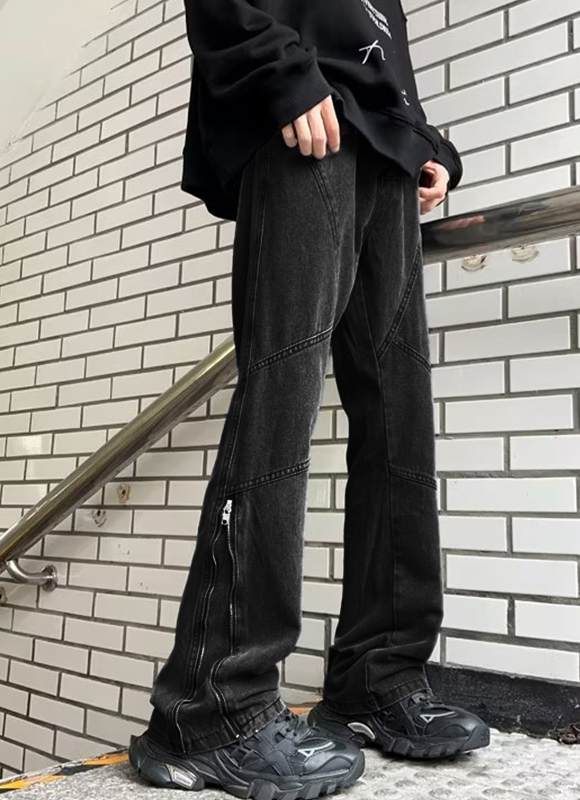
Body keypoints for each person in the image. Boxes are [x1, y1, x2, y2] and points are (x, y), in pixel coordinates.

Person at [128, 0, 491, 797]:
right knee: (281, 400)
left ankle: (377, 677)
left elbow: (383, 55)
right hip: (308, 121)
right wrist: (281, 73)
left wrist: (429, 145)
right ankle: (210, 710)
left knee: (400, 424)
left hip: (387, 157)